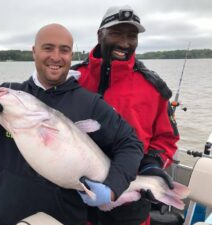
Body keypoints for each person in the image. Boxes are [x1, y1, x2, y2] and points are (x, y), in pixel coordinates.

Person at [0, 23, 143, 225]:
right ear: (34, 52)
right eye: (48, 48)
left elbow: (131, 144)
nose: (56, 57)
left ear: (71, 55)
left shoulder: (91, 104)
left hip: (64, 219)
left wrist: (113, 187)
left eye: (65, 50)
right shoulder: (8, 95)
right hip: (5, 217)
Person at [72, 5, 180, 225]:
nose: (124, 43)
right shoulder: (73, 79)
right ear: (99, 34)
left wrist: (152, 166)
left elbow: (166, 139)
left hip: (131, 204)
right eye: (116, 33)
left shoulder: (154, 88)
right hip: (76, 197)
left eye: (132, 36)